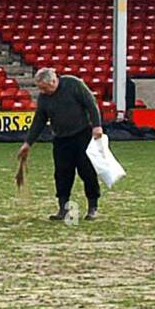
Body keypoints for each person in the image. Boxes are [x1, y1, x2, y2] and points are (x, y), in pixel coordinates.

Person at [17, 68, 104, 221]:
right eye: (40, 89)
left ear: (53, 81)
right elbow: (39, 121)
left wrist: (97, 125)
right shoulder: (44, 98)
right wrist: (28, 143)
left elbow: (91, 104)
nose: (43, 91)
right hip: (61, 139)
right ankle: (63, 208)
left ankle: (92, 207)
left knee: (87, 172)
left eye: (44, 88)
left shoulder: (73, 84)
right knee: (62, 174)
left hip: (82, 135)